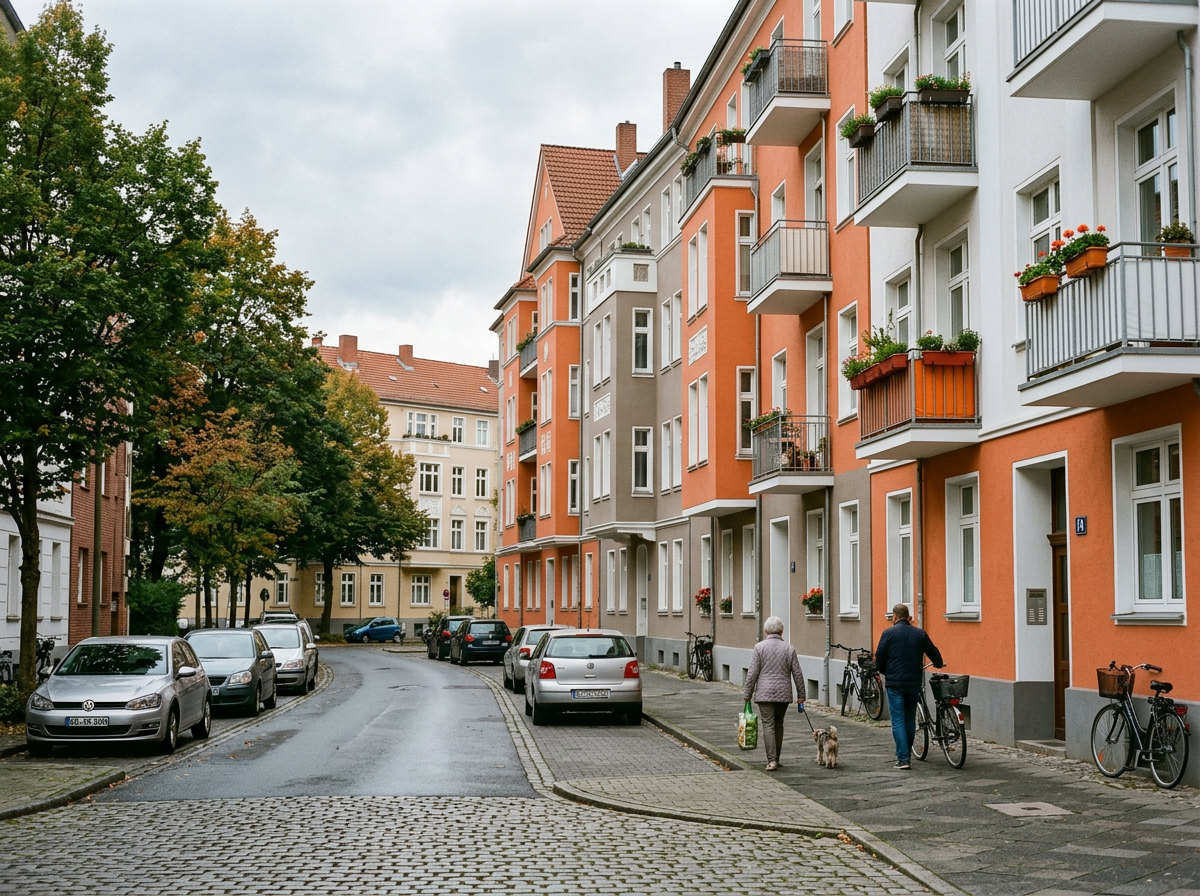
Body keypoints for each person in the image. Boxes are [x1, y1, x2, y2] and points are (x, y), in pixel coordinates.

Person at [875, 603, 944, 770]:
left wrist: (885, 672)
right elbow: (933, 651)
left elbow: (880, 658)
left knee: (897, 720)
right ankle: (906, 755)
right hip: (913, 683)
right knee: (909, 719)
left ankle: (903, 758)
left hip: (894, 684)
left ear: (895, 617)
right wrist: (938, 664)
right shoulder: (919, 634)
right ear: (909, 617)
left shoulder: (888, 633)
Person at [742, 616, 805, 771]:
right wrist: (801, 695)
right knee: (778, 725)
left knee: (768, 725)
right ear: (781, 631)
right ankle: (776, 758)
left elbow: (752, 673)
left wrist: (747, 693)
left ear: (765, 631)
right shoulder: (789, 648)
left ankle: (771, 761)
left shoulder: (759, 647)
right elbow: (797, 673)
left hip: (764, 693)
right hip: (783, 693)